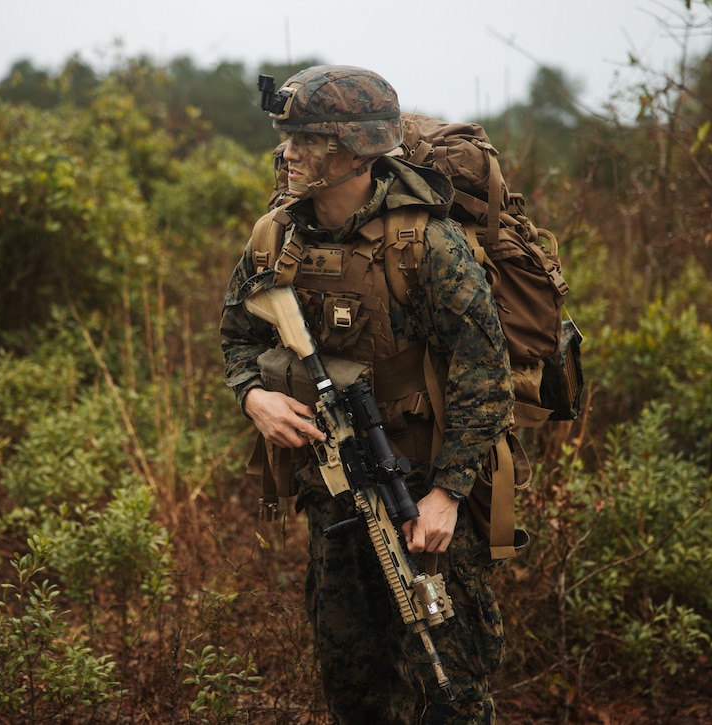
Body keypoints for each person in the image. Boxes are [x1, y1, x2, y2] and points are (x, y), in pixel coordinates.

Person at [219, 65, 514, 724]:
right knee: (353, 686)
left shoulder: (427, 243)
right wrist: (253, 398)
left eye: (305, 141)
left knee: (449, 692)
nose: (287, 154)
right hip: (335, 504)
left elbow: (485, 374)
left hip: (426, 499)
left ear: (353, 151)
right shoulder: (278, 237)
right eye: (287, 140)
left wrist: (447, 493)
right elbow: (238, 333)